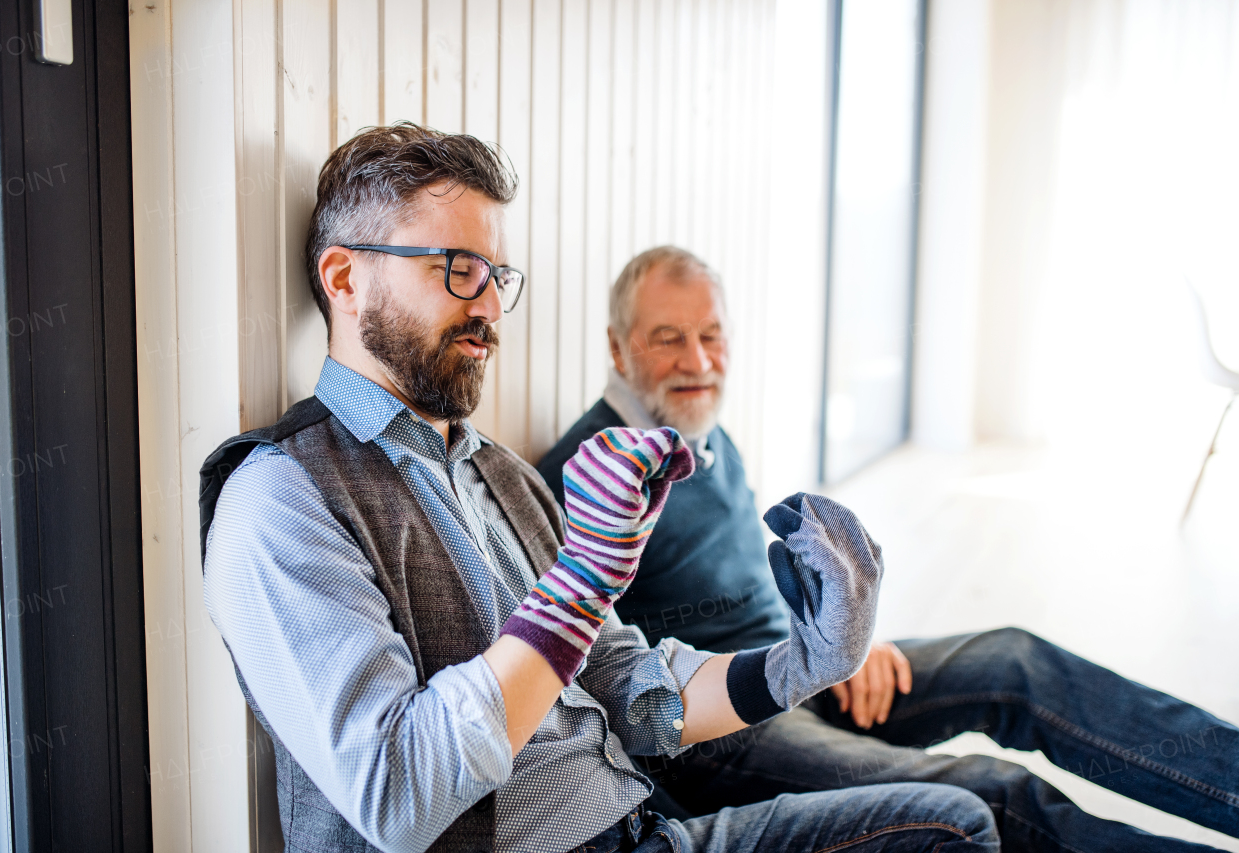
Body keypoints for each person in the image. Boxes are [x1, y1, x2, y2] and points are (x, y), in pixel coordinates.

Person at [198, 124, 1003, 853]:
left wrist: (806, 662)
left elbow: (626, 682)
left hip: (643, 825)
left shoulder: (499, 474)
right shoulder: (281, 497)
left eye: (496, 276)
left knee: (954, 822)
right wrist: (583, 577)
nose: (488, 307)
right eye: (457, 270)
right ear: (343, 276)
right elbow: (397, 794)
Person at [537, 245, 1239, 853]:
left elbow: (743, 593)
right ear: (617, 345)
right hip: (716, 738)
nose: (698, 361)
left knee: (1017, 660)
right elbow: (601, 676)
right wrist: (790, 668)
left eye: (712, 335)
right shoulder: (587, 471)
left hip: (795, 675)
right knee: (992, 790)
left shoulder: (706, 436)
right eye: (668, 338)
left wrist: (836, 647)